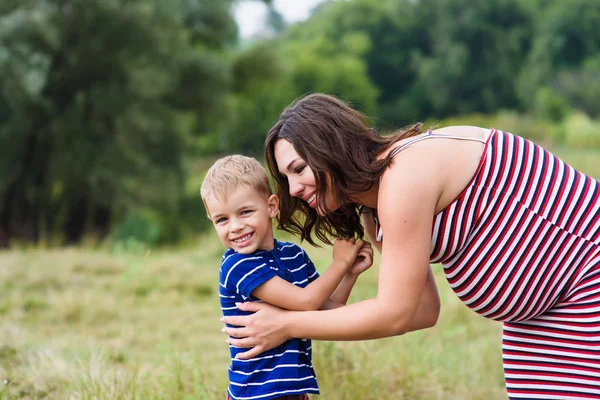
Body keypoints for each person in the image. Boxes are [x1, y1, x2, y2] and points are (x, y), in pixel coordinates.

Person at [220, 94, 600, 399]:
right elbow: (422, 310)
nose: (293, 191)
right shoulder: (375, 210)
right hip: (537, 319)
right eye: (284, 179)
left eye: (299, 169)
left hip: (588, 283)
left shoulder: (404, 175)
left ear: (329, 148)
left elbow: (396, 313)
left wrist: (287, 325)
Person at [200, 154, 373, 400]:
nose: (235, 226)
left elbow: (326, 310)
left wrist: (349, 275)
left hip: (294, 391)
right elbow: (307, 302)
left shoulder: (294, 254)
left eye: (245, 212)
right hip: (257, 394)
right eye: (222, 220)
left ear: (271, 206)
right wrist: (340, 263)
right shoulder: (237, 265)